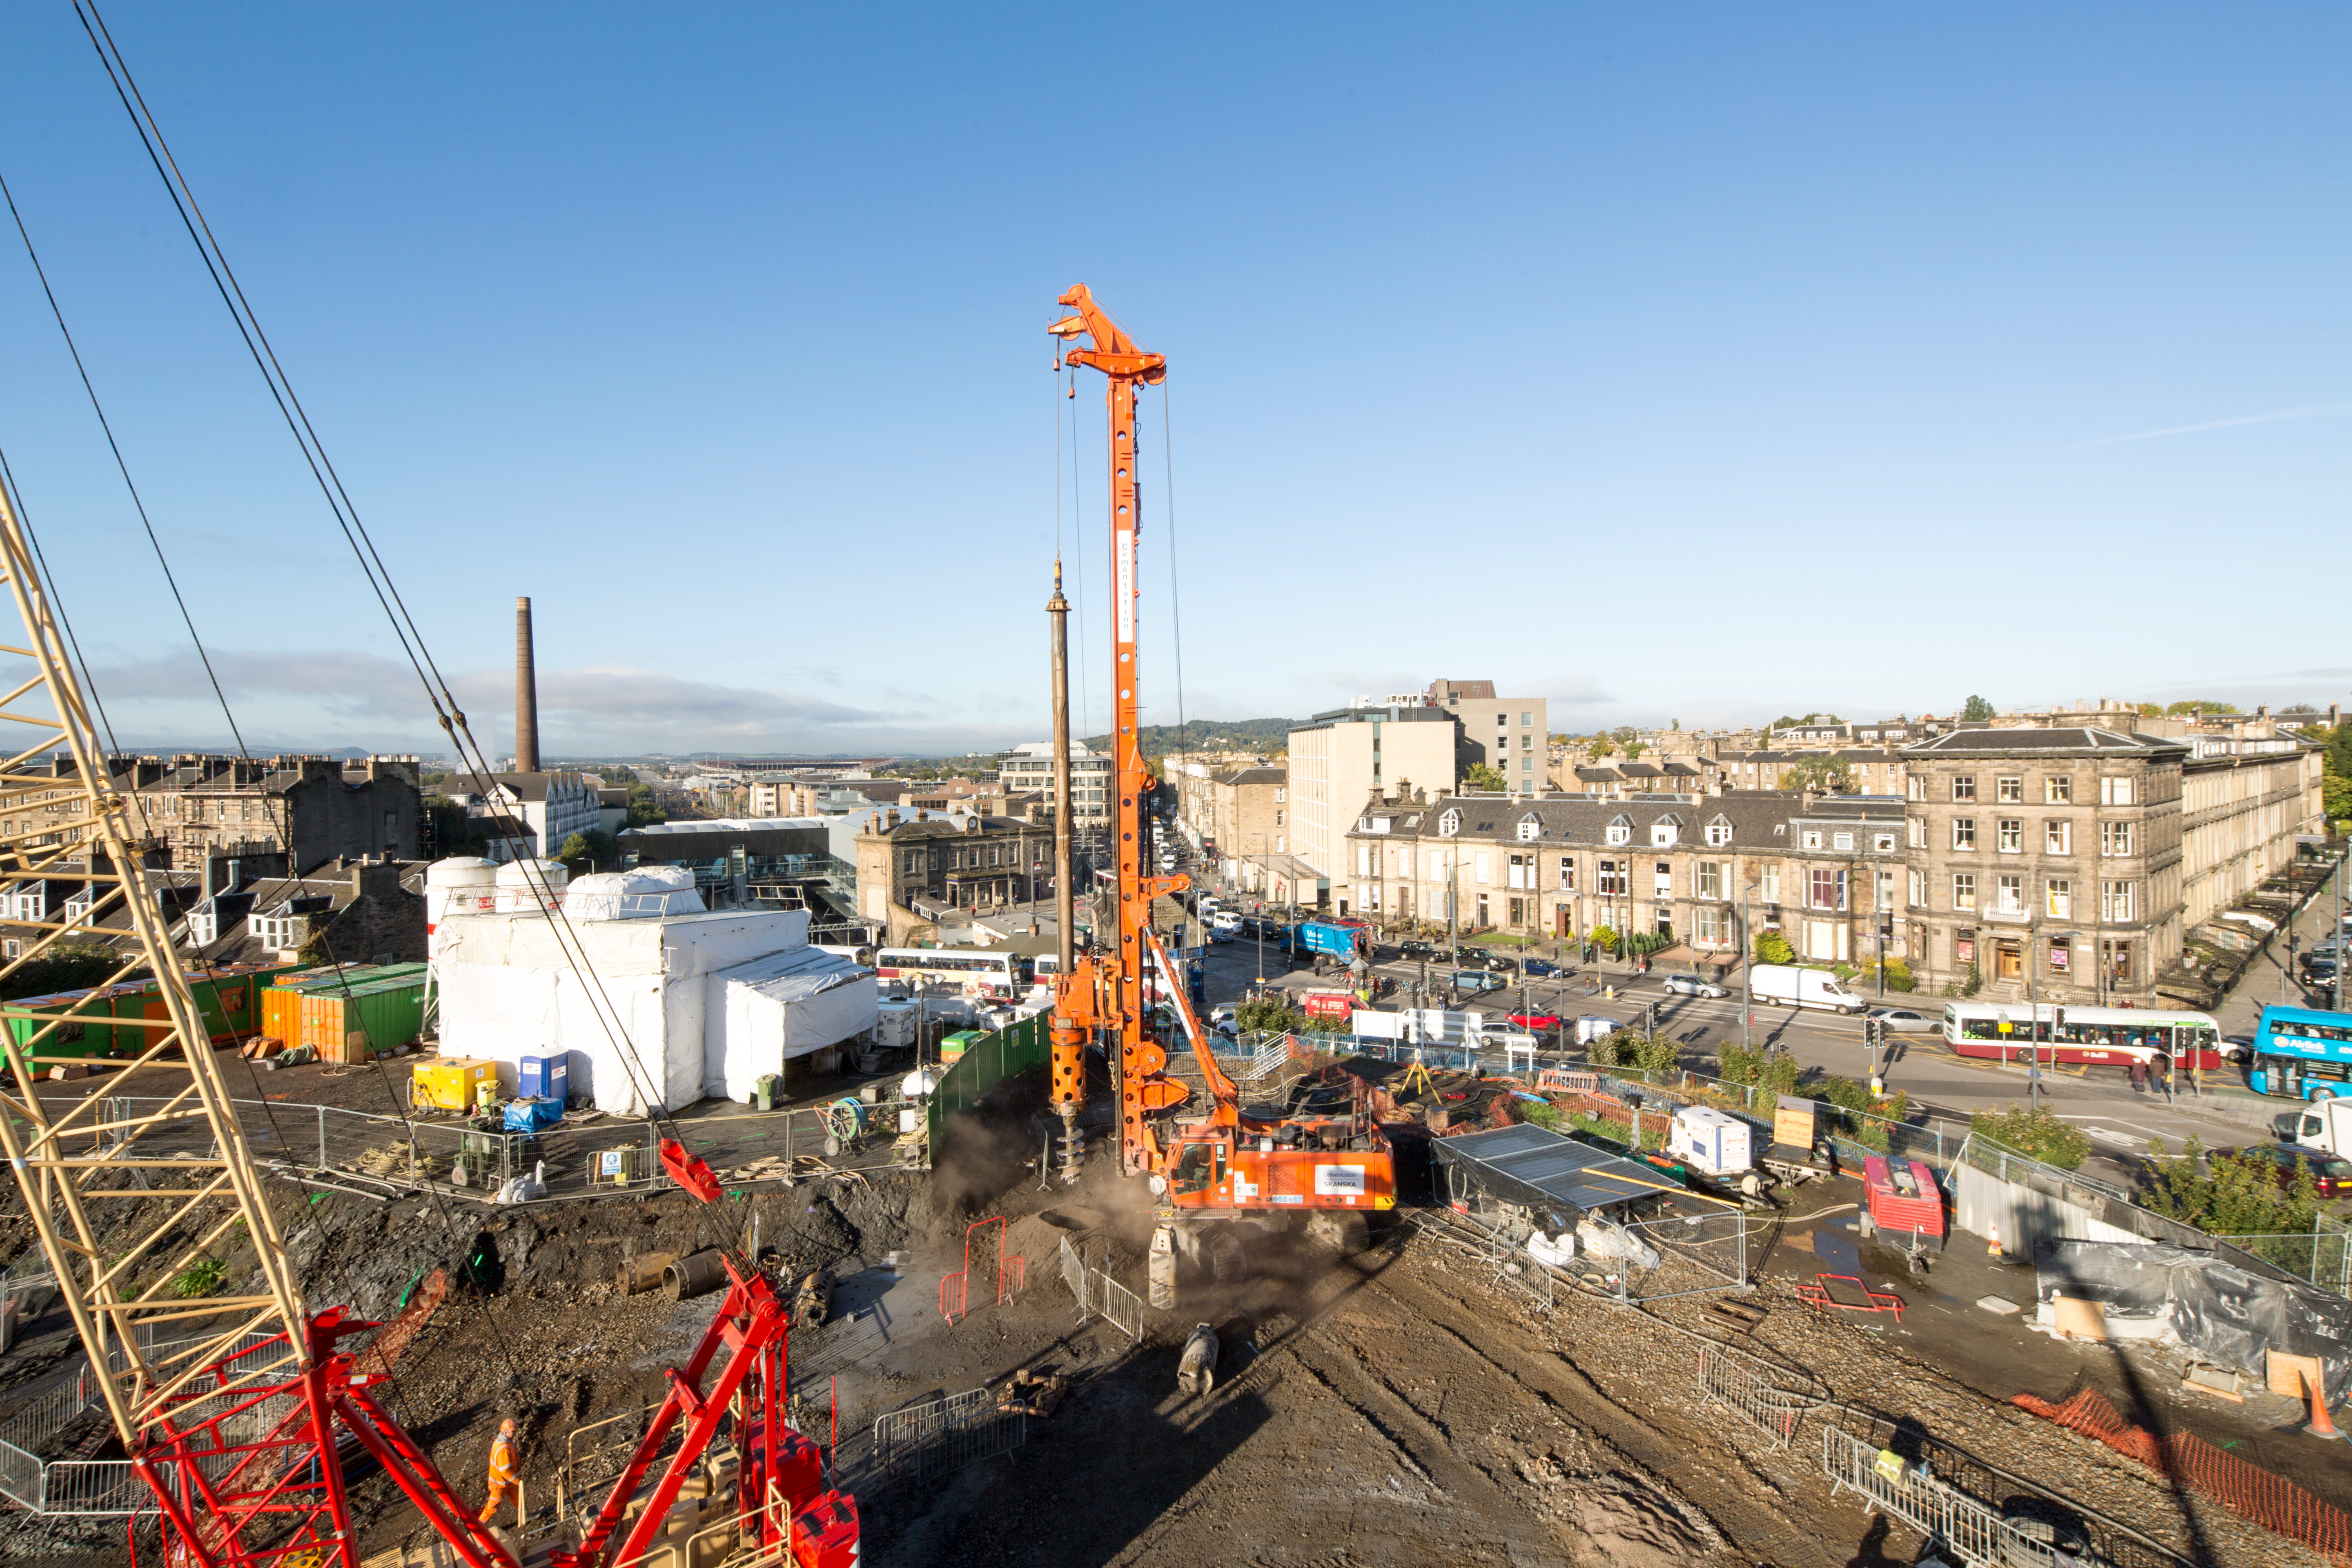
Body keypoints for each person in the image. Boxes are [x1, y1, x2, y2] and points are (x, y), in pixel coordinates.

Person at [480, 1417, 519, 1528]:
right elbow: (505, 1471)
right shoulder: (504, 1448)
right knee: (492, 1506)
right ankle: (480, 1527)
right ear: (506, 1432)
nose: (515, 1433)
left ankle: (527, 1515)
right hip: (500, 1483)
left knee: (517, 1497)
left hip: (506, 1481)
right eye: (514, 1431)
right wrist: (518, 1480)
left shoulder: (501, 1442)